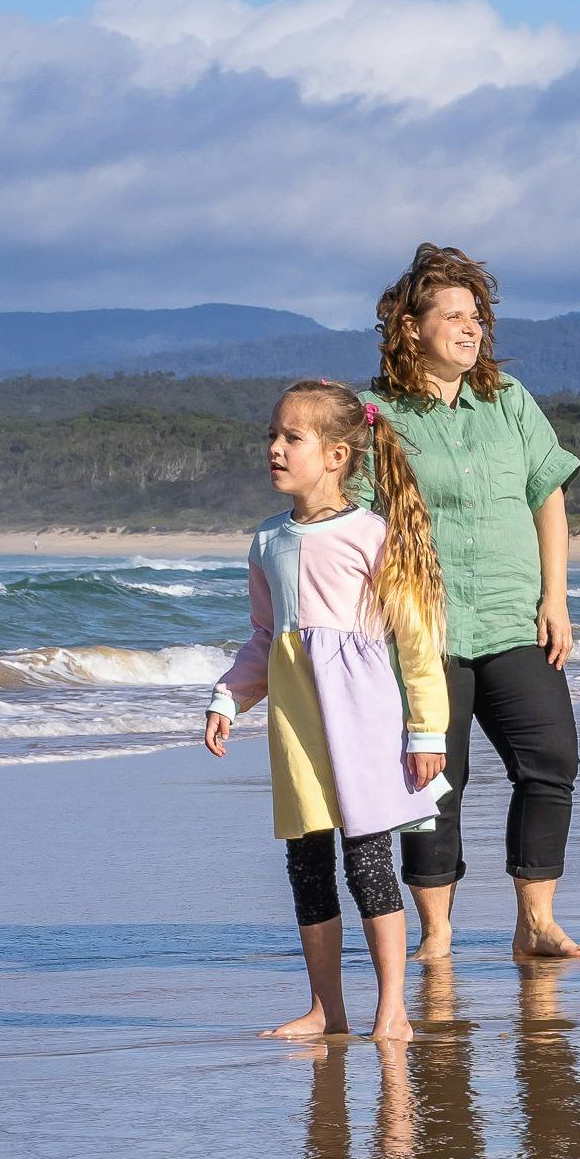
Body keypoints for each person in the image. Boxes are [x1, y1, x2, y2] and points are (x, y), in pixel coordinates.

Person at [205, 380, 452, 1044]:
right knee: (306, 863)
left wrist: (427, 730)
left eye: (292, 437)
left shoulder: (373, 535)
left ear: (338, 455)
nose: (275, 448)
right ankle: (326, 1007)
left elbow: (418, 641)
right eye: (273, 436)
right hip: (296, 729)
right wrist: (230, 695)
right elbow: (265, 637)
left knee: (368, 862)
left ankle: (393, 1006)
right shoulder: (267, 542)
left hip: (365, 726)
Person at [369, 245, 580, 963]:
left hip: (511, 613)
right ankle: (436, 933)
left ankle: (536, 922)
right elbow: (351, 520)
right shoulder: (376, 415)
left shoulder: (510, 400)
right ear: (411, 328)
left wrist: (555, 597)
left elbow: (547, 497)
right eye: (455, 316)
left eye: (478, 317)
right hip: (424, 628)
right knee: (435, 780)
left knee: (551, 757)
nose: (472, 329)